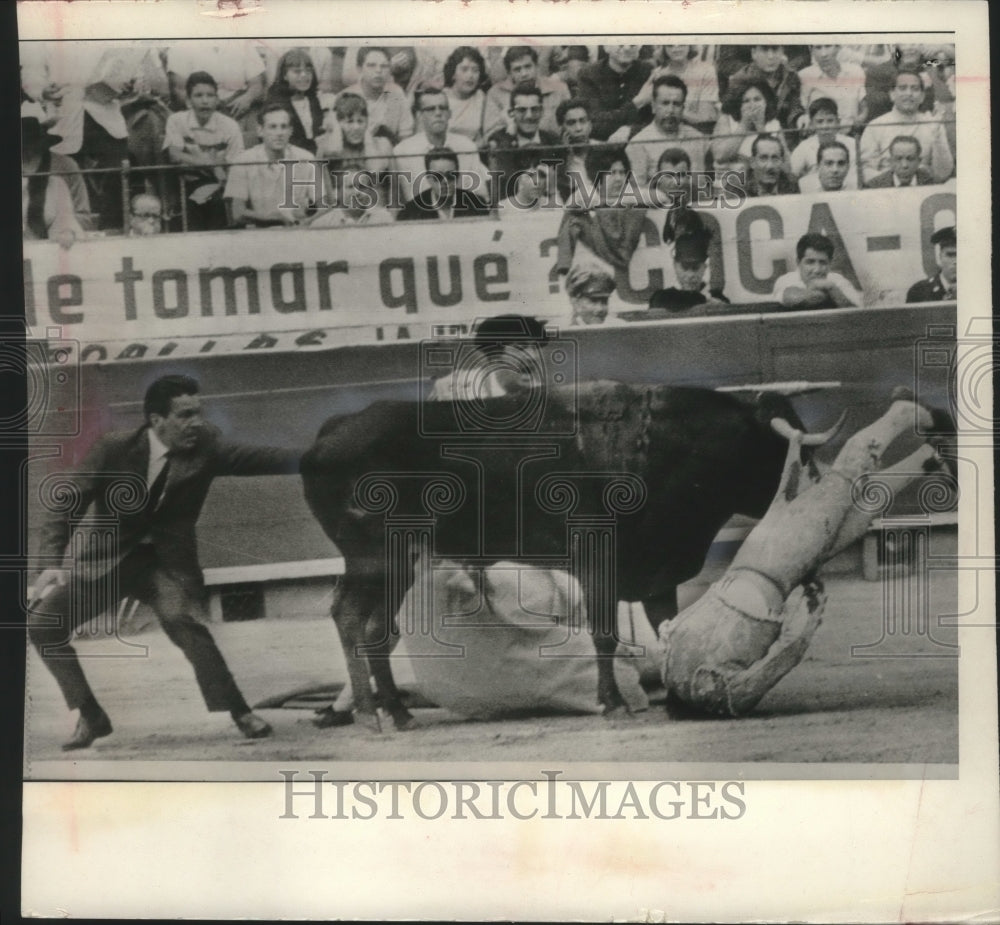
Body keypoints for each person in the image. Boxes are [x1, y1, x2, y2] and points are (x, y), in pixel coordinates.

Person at [28, 375, 301, 750]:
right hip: (109, 561)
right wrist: (50, 564)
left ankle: (240, 712)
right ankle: (92, 716)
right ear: (157, 420)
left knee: (185, 623)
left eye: (198, 413)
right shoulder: (115, 448)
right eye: (185, 415)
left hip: (164, 565)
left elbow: (261, 458)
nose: (197, 422)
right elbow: (66, 505)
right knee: (43, 626)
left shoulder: (206, 447)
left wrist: (322, 456)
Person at [660, 390, 955, 717]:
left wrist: (807, 623)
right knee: (856, 511)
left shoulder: (717, 695)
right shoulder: (670, 666)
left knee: (844, 478)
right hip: (767, 559)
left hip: (779, 563)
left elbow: (777, 663)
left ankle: (903, 413)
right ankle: (930, 458)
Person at [163, 70, 244, 232]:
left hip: (223, 184)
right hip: (185, 182)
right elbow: (174, 155)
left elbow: (236, 164)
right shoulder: (177, 121)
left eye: (210, 95)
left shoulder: (229, 126)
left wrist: (220, 177)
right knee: (193, 204)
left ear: (217, 100)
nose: (205, 101)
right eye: (199, 96)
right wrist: (212, 165)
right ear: (188, 101)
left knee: (215, 202)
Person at [224, 103, 327, 228]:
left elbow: (324, 206)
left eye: (284, 127)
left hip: (298, 232)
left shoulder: (306, 158)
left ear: (291, 131)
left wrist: (308, 221)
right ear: (260, 131)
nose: (279, 133)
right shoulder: (243, 161)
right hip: (260, 233)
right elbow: (238, 213)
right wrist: (276, 219)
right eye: (272, 127)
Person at [555, 146, 648, 280]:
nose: (618, 178)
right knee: (573, 220)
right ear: (597, 175)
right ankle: (563, 266)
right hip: (597, 252)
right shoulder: (585, 194)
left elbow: (662, 197)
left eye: (622, 173)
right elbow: (568, 213)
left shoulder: (631, 192)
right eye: (612, 173)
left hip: (627, 251)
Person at [392, 88, 491, 203]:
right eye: (430, 109)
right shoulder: (402, 152)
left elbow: (479, 194)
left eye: (442, 108)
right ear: (419, 115)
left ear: (449, 114)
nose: (438, 113)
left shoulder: (467, 146)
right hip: (419, 216)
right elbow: (400, 201)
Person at [859, 69, 954, 184]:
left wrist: (937, 137)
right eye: (903, 88)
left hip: (924, 188)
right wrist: (897, 181)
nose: (909, 93)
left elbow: (943, 173)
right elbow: (866, 170)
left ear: (922, 96)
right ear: (892, 94)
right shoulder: (875, 126)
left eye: (914, 89)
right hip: (885, 190)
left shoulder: (932, 124)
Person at [166, 41, 266, 147]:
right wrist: (207, 107)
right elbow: (179, 89)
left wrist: (248, 98)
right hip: (200, 107)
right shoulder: (182, 45)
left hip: (239, 107)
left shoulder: (243, 43)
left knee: (256, 133)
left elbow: (257, 84)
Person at [620, 75, 710, 184]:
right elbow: (637, 191)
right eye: (665, 103)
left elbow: (705, 183)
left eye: (676, 104)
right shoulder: (638, 144)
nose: (671, 110)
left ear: (683, 108)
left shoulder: (698, 139)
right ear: (653, 106)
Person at [485, 85, 562, 202]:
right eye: (522, 110)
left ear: (542, 111)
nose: (529, 116)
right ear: (511, 113)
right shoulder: (500, 140)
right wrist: (510, 134)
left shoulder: (552, 140)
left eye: (534, 109)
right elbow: (504, 180)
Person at [21, 115, 85, 248]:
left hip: (50, 248)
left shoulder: (57, 182)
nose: (27, 155)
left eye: (30, 149)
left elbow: (69, 217)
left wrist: (66, 230)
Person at [482, 45, 570, 140]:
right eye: (517, 69)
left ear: (536, 66)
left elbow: (570, 124)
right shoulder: (495, 94)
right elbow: (490, 134)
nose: (524, 74)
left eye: (528, 67)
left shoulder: (559, 89)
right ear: (509, 73)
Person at [575, 44, 655, 141]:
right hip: (601, 145)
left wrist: (631, 131)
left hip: (638, 142)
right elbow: (593, 124)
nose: (626, 48)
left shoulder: (648, 71)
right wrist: (637, 103)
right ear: (606, 47)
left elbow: (653, 122)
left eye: (632, 44)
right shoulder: (589, 75)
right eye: (620, 43)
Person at [727, 45, 805, 141]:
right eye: (764, 50)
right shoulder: (739, 79)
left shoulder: (790, 76)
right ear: (754, 53)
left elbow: (794, 106)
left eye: (775, 49)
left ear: (782, 52)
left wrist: (799, 118)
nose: (771, 56)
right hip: (749, 135)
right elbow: (734, 117)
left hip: (785, 135)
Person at [341, 46, 414, 147]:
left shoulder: (397, 93)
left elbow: (406, 137)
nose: (378, 71)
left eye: (384, 66)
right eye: (371, 66)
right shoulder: (345, 97)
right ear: (359, 69)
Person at [395, 147, 491, 221]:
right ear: (429, 178)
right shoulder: (411, 211)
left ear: (458, 175)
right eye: (438, 176)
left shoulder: (476, 204)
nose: (445, 181)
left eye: (450, 175)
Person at [710, 78, 787, 171]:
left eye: (757, 99)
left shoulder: (774, 125)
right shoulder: (727, 120)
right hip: (732, 179)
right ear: (738, 105)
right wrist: (744, 125)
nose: (752, 105)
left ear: (766, 102)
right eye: (746, 101)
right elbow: (719, 157)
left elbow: (787, 165)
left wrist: (761, 128)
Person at [772, 232, 862, 309]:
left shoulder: (837, 280)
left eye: (823, 263)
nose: (817, 270)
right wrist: (825, 291)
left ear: (830, 263)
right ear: (798, 262)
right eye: (810, 262)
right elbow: (791, 298)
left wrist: (831, 288)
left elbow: (857, 314)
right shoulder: (786, 279)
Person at [647, 231, 728, 314]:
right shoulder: (662, 298)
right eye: (684, 267)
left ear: (704, 267)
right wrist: (706, 304)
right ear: (675, 266)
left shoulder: (719, 299)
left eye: (696, 267)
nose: (690, 275)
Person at [315, 92, 393, 176]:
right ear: (338, 122)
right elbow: (323, 185)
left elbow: (375, 170)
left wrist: (368, 138)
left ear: (367, 121)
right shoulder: (326, 145)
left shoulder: (382, 144)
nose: (356, 127)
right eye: (350, 122)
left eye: (360, 121)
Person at [264, 47, 326, 153]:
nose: (304, 75)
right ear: (285, 76)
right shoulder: (276, 104)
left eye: (308, 71)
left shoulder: (313, 100)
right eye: (297, 71)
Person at [788, 97, 858, 189]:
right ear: (812, 124)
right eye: (820, 121)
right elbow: (792, 175)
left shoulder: (852, 144)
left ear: (838, 122)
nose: (825, 126)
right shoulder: (804, 147)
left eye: (830, 121)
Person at [797, 44, 867, 133]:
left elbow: (864, 108)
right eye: (818, 48)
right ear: (812, 50)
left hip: (852, 134)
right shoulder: (804, 76)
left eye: (828, 46)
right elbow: (804, 112)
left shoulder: (855, 71)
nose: (823, 54)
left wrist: (856, 124)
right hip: (820, 135)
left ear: (838, 48)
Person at [658, 45, 720, 133]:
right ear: (663, 48)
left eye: (681, 44)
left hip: (700, 130)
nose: (676, 49)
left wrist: (672, 111)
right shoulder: (658, 74)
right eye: (670, 45)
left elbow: (705, 117)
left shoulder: (706, 70)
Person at [309, 168, 393, 227]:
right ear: (337, 193)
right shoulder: (323, 224)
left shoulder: (384, 219)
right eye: (350, 187)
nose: (357, 192)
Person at [441, 46, 488, 144]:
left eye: (475, 70)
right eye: (464, 69)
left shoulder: (480, 97)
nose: (470, 75)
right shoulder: (441, 97)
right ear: (453, 74)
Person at [906, 225, 956, 302]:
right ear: (940, 257)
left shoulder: (978, 289)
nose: (956, 261)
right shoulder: (919, 292)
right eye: (950, 255)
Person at [865, 135, 934, 188]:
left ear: (919, 161)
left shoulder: (934, 184)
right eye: (898, 159)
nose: (904, 165)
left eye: (910, 159)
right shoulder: (874, 186)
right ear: (890, 161)